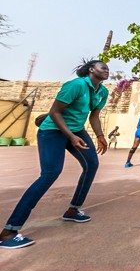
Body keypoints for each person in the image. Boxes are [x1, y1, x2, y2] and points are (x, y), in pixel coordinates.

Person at [0, 60, 109, 249]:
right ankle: (8, 232)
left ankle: (73, 210)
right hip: (53, 131)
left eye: (108, 68)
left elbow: (94, 116)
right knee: (50, 173)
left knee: (92, 164)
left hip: (76, 130)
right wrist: (71, 137)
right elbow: (55, 112)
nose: (107, 70)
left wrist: (100, 136)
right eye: (103, 67)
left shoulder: (102, 92)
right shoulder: (76, 85)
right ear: (91, 70)